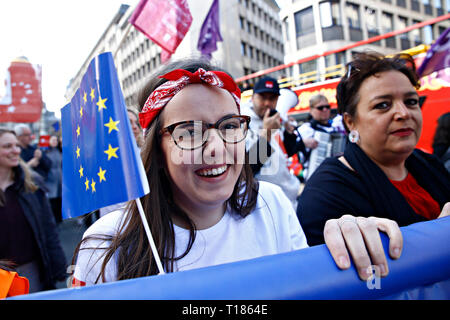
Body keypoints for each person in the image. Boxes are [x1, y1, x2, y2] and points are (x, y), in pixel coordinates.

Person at [72, 58, 403, 287]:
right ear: (156, 149)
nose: (215, 147)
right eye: (189, 131)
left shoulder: (272, 204)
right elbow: (255, 160)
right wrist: (265, 136)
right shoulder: (105, 245)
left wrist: (347, 235)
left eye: (230, 126)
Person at [297, 52, 450, 246]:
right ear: (350, 122)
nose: (403, 113)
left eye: (411, 102)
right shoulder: (326, 193)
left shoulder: (428, 163)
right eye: (383, 105)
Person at [0, 129, 67, 292]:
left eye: (16, 145)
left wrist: (59, 266)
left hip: (31, 271)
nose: (16, 150)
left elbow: (48, 228)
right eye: (7, 146)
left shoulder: (31, 184)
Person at [241, 77, 315, 209]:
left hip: (287, 196)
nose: (267, 103)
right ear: (253, 98)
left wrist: (289, 134)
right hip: (264, 203)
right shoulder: (242, 122)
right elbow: (248, 168)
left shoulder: (272, 119)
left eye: (273, 98)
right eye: (262, 97)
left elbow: (285, 153)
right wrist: (267, 134)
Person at [98, 107, 144, 218]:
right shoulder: (106, 157)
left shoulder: (144, 153)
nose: (135, 127)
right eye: (129, 122)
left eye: (136, 123)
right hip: (116, 222)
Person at [297, 94, 344, 179]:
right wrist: (302, 143)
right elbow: (291, 150)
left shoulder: (335, 127)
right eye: (320, 108)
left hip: (335, 175)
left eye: (327, 107)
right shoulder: (305, 129)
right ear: (311, 110)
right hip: (313, 175)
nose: (325, 110)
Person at [44, 135, 63, 223]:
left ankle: (59, 218)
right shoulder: (45, 151)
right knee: (52, 199)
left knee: (59, 199)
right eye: (53, 140)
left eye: (56, 140)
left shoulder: (59, 151)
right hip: (50, 177)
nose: (55, 142)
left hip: (59, 177)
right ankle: (53, 219)